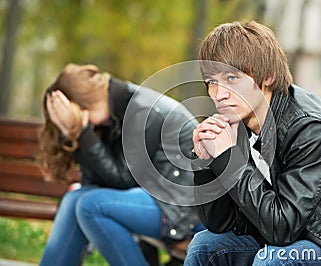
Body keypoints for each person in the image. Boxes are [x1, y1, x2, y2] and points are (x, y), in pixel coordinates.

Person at [185, 21, 321, 265]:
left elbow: (282, 228)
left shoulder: (312, 127)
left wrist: (229, 159)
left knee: (276, 260)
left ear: (268, 76)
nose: (219, 94)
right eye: (212, 82)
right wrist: (207, 160)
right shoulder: (238, 124)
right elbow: (220, 223)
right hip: (303, 235)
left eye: (232, 78)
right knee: (205, 247)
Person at [38, 63, 201, 266]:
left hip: (182, 207)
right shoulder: (114, 112)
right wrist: (76, 135)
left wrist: (81, 132)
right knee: (74, 199)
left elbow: (123, 180)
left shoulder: (142, 110)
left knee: (90, 206)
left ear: (81, 107)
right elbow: (102, 180)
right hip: (157, 197)